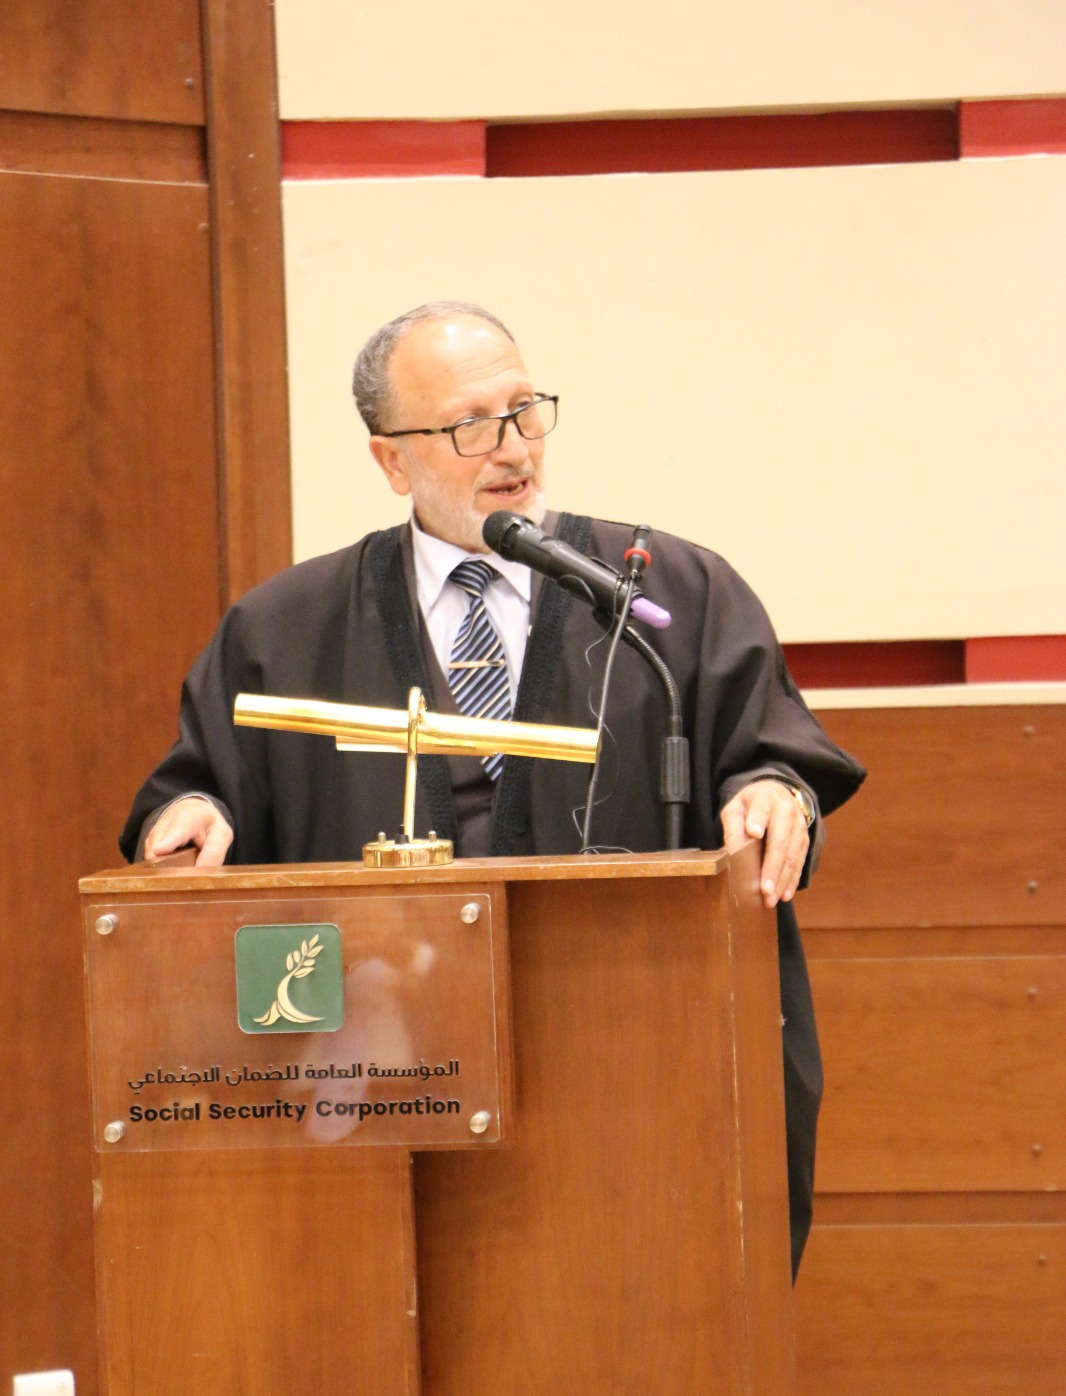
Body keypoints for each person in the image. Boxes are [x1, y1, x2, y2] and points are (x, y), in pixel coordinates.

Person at [121, 300, 865, 1275]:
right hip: (388, 1079)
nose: (512, 447)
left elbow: (774, 754)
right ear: (392, 460)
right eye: (470, 425)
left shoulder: (670, 595)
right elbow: (202, 789)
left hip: (635, 1074)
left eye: (524, 410)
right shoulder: (283, 629)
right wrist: (194, 814)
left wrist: (775, 794)